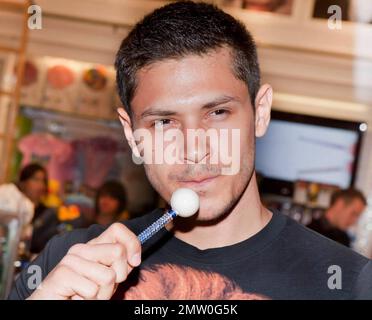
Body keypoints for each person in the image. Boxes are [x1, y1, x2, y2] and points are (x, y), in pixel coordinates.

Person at [9, 1, 372, 300]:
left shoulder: (348, 283)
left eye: (217, 113)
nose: (193, 149)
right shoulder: (69, 265)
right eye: (164, 122)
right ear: (132, 133)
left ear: (260, 112)